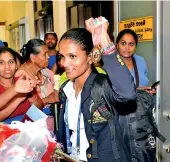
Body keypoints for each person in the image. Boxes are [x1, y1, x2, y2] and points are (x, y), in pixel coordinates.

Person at [56, 18, 137, 161]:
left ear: (90, 57)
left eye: (72, 56)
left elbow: (128, 93)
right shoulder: (65, 89)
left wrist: (104, 41)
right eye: (62, 57)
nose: (64, 63)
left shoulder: (101, 85)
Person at [0, 47, 32, 122]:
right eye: (1, 63)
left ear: (16, 65)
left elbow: (39, 107)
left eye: (11, 62)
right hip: (4, 131)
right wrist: (18, 99)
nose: (7, 67)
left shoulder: (22, 81)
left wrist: (32, 86)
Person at [18, 39, 59, 108]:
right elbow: (25, 107)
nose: (48, 57)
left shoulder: (44, 70)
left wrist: (55, 91)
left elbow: (57, 80)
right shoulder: (22, 76)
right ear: (33, 57)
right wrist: (46, 100)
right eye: (45, 54)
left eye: (47, 53)